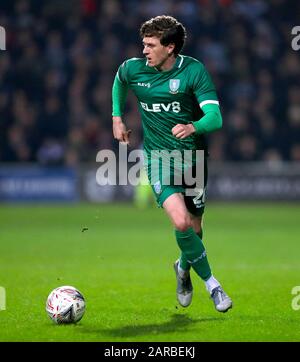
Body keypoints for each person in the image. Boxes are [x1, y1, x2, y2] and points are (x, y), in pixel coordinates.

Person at [112, 15, 232, 313]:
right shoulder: (134, 69)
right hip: (158, 158)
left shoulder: (193, 71)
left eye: (151, 45)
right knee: (180, 222)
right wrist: (116, 117)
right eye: (144, 44)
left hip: (193, 160)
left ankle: (182, 267)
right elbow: (120, 80)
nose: (145, 51)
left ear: (171, 48)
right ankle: (213, 285)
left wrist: (193, 127)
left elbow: (215, 118)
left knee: (194, 229)